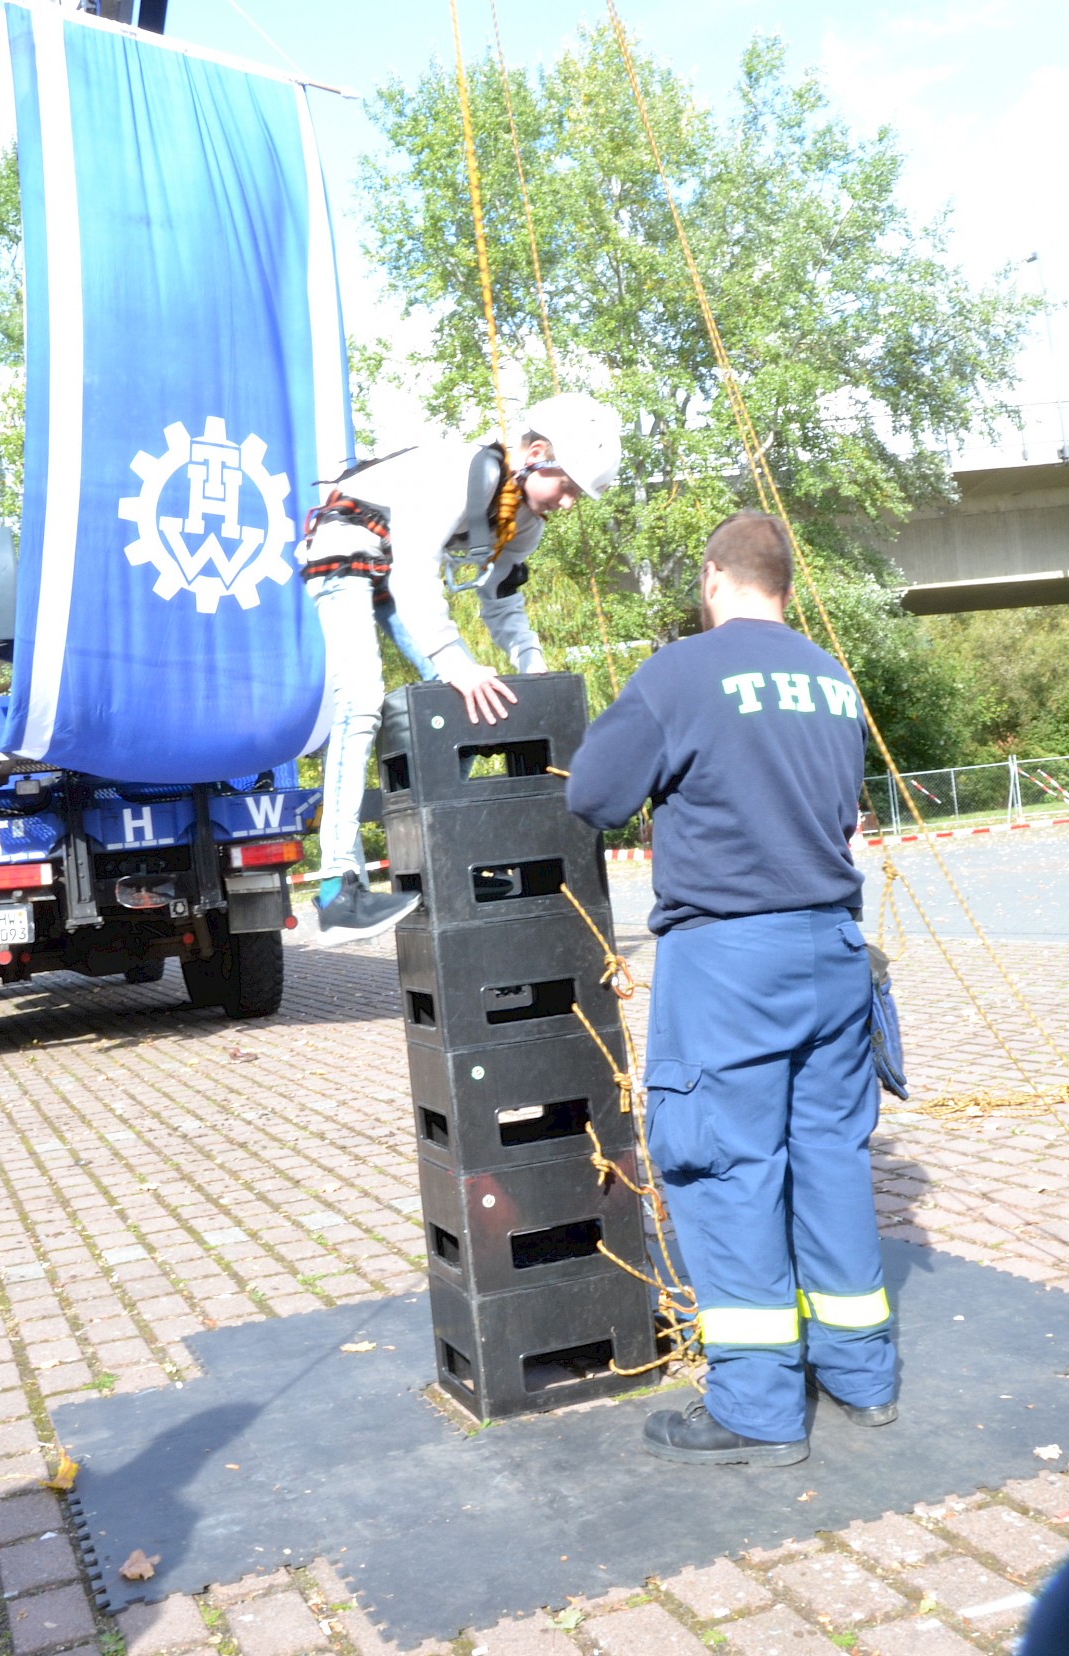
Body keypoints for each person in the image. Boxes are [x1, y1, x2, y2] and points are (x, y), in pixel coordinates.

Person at [566, 509, 896, 1467]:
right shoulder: (832, 680)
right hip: (833, 953)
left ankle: (757, 1407)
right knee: (830, 1157)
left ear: (713, 580)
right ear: (783, 585)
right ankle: (861, 1376)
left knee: (725, 1166)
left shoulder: (680, 671)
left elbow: (593, 794)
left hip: (730, 965)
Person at [303, 393, 621, 946]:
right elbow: (413, 577)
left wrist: (532, 668)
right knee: (360, 700)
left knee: (470, 702)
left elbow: (501, 602)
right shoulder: (457, 472)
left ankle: (459, 856)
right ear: (537, 454)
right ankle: (336, 891)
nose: (568, 502)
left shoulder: (525, 521)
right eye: (567, 486)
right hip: (345, 546)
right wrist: (455, 661)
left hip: (390, 562)